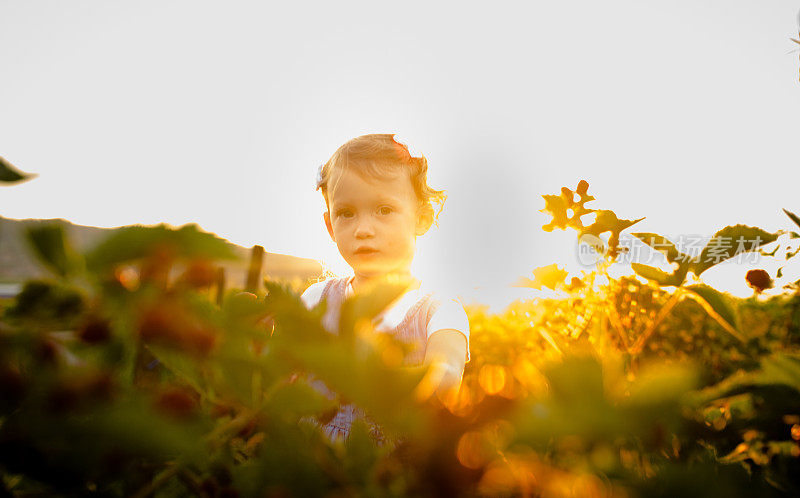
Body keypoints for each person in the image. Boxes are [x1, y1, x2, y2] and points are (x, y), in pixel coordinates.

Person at [300, 134, 470, 443]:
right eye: (346, 213)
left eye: (383, 210)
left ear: (422, 217)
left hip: (391, 472)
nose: (364, 229)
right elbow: (281, 376)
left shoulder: (440, 312)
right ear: (329, 226)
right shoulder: (316, 299)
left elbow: (446, 377)